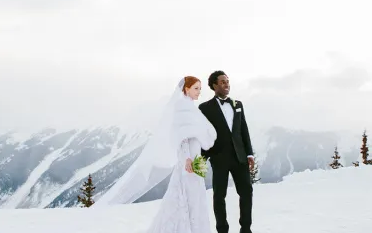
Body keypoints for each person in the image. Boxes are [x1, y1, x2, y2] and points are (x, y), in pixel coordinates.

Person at [94, 76, 217, 233]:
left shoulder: (192, 109)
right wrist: (186, 158)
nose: (199, 92)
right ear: (186, 89)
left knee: (196, 199)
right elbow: (180, 137)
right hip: (188, 161)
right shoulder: (181, 107)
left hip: (195, 158)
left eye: (200, 88)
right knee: (185, 198)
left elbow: (200, 135)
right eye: (196, 88)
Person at [199, 70, 254, 233]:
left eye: (227, 81)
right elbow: (203, 134)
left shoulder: (238, 105)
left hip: (240, 156)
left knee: (246, 192)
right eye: (222, 82)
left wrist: (249, 153)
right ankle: (222, 230)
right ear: (214, 85)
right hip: (219, 157)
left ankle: (246, 228)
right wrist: (201, 157)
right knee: (219, 196)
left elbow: (244, 130)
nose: (226, 84)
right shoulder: (204, 108)